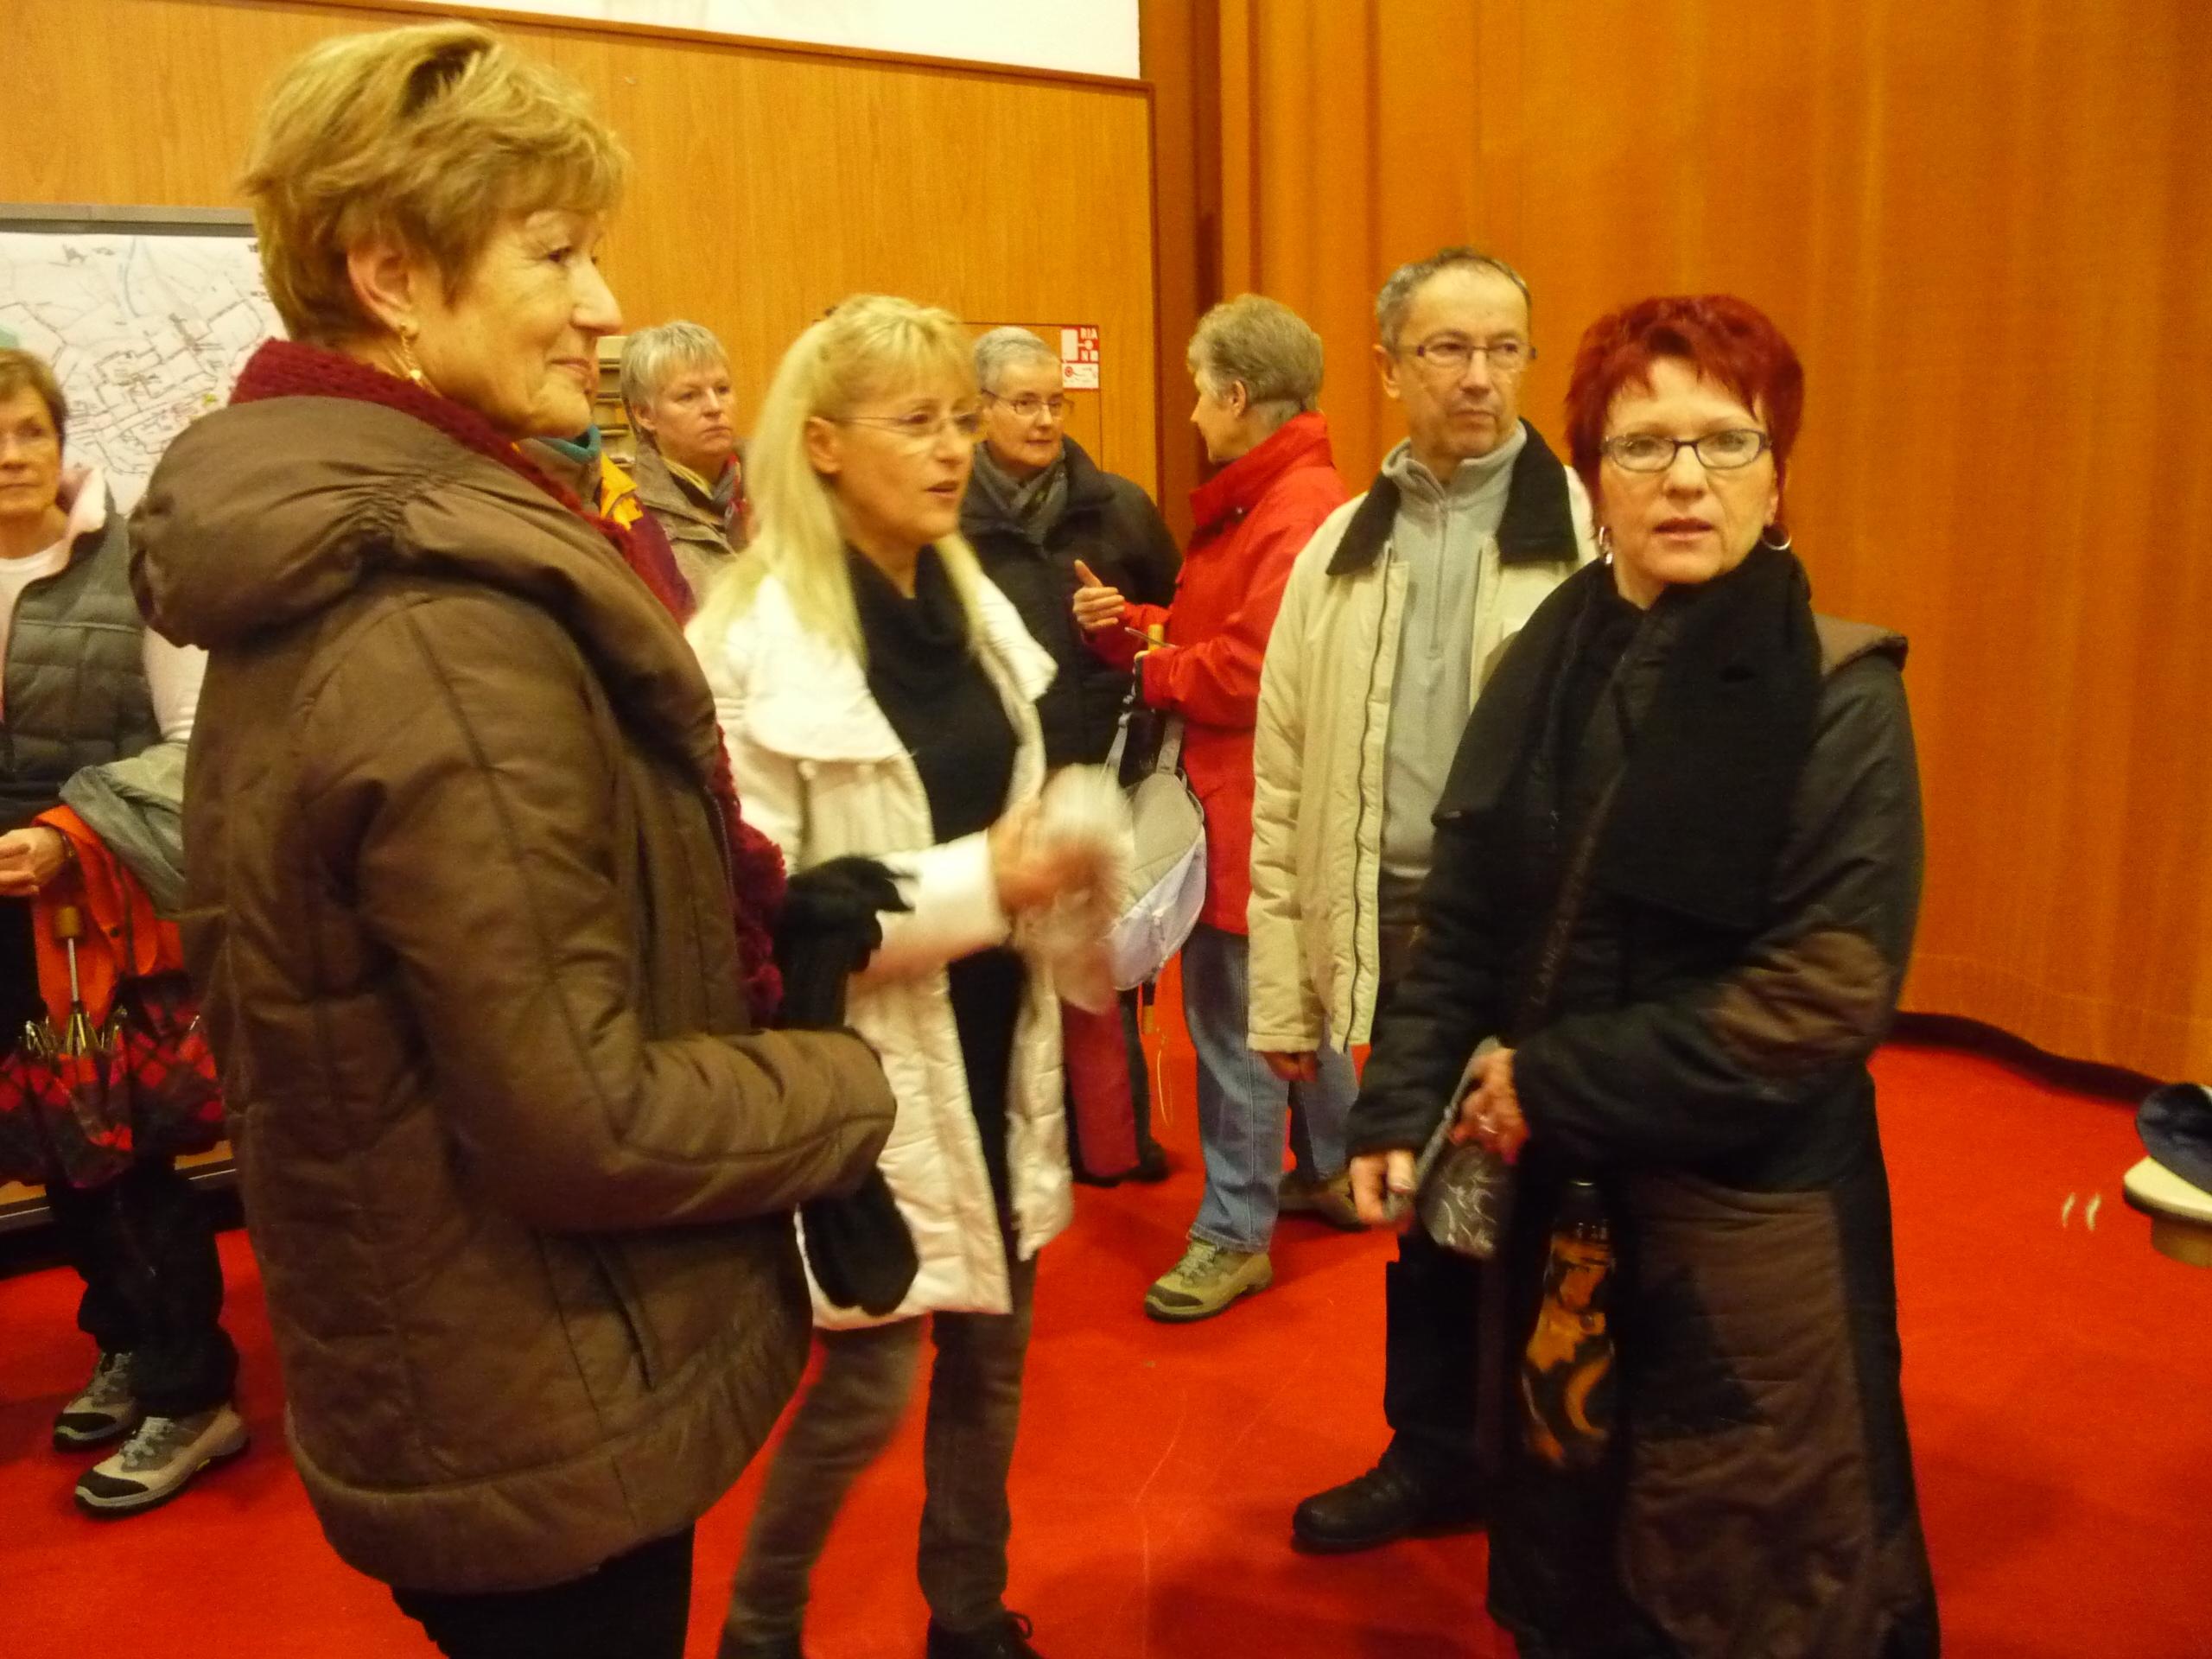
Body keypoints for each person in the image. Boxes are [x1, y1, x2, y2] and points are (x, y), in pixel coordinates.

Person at [128, 26, 897, 1658]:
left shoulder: (376, 559)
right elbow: (579, 1117)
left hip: (484, 1360)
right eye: (554, 253)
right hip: (541, 1387)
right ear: (392, 276)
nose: (606, 307)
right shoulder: (436, 622)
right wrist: (843, 1092)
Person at [1346, 293, 1939, 1656]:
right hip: (1561, 1204)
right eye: (1643, 445)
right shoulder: (1541, 659)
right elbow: (1469, 909)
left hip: (1748, 1223)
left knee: (1743, 1561)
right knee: (1567, 1524)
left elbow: (1822, 998)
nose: (1685, 477)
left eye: (1726, 442)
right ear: (1594, 480)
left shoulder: (1841, 692)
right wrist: (1403, 1096)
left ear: (1776, 474)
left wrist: (1545, 1079)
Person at [694, 296, 1117, 1659]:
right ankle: (761, 1628)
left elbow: (1009, 799)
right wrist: (989, 879)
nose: (953, 450)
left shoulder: (973, 600)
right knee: (868, 1382)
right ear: (822, 443)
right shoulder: (750, 645)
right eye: (917, 422)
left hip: (996, 1030)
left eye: (960, 420)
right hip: (860, 1068)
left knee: (993, 1362)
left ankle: (970, 1616)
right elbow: (758, 920)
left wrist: (1062, 863)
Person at [1248, 247, 1594, 1550]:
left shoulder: (1590, 534)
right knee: (1425, 1210)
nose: (1479, 377)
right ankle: (1437, 1453)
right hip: (1396, 931)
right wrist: (1284, 986)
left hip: (1551, 947)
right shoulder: (1340, 549)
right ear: (1390, 367)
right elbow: (1284, 774)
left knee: (1566, 1208)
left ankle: (1566, 1470)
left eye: (1505, 348)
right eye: (1447, 348)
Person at [1071, 295, 1358, 1321]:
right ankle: (1333, 1167)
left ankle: (1233, 1235)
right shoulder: (1279, 497)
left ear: (1237, 396)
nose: (1192, 413)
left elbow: (1248, 673)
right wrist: (1135, 626)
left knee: (1237, 1023)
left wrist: (1149, 668)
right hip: (1253, 800)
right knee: (1293, 1004)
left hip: (1248, 806)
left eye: (1200, 392)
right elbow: (1218, 633)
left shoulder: (1290, 510)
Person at [0, 346, 244, 1516]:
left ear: (60, 440)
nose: (10, 455)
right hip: (5, 936)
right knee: (55, 1148)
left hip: (91, 923)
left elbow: (200, 745)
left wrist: (65, 834)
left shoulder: (132, 568)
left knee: (119, 1149)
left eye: (27, 431)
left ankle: (195, 1394)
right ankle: (129, 1344)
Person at [961, 326, 1179, 1186]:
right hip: (995, 778)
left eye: (1056, 402)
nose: (1045, 419)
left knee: (1102, 967)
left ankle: (1114, 1148)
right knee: (999, 969)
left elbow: (1177, 620)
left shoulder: (1120, 507)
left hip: (1102, 765)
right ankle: (1020, 1147)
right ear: (982, 409)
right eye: (1025, 403)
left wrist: (1128, 621)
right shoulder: (946, 518)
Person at [621, 318, 748, 605]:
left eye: (723, 389)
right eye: (688, 396)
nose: (714, 407)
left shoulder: (781, 482)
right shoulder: (633, 520)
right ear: (645, 415)